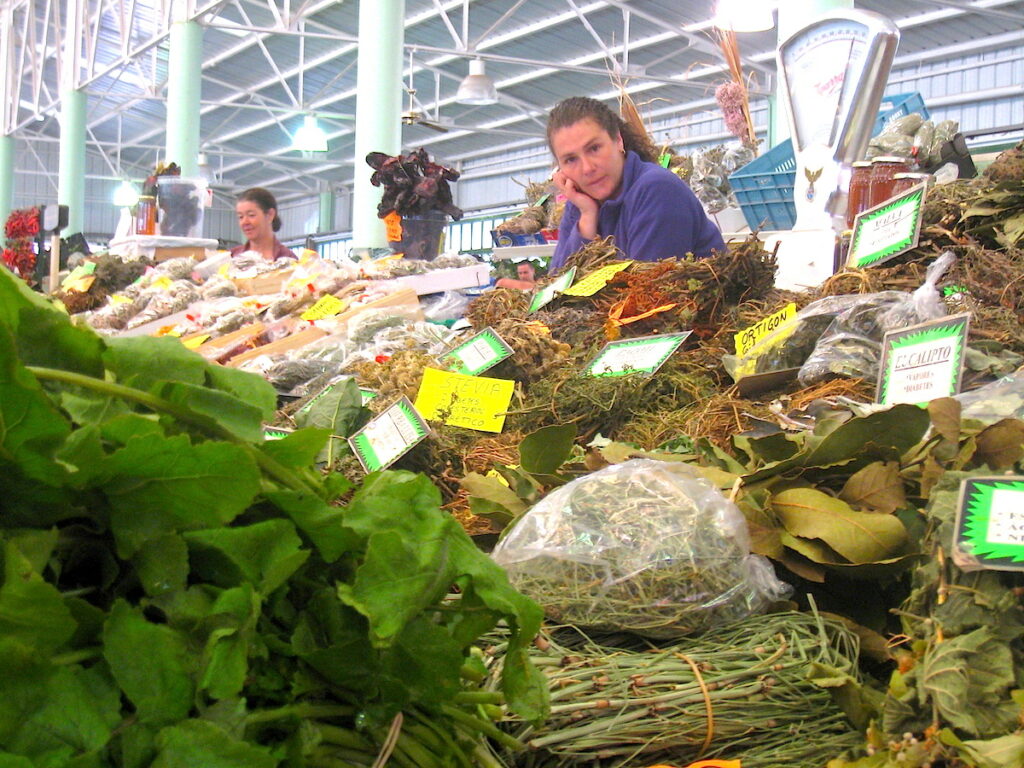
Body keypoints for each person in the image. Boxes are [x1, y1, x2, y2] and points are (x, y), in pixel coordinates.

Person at [547, 97, 725, 271]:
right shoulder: (579, 204)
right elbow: (553, 289)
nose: (587, 168)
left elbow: (644, 292)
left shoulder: (657, 189)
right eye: (570, 160)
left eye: (594, 148)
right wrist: (587, 217)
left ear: (618, 140)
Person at [231, 187, 296, 261]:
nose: (245, 222)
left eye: (251, 215)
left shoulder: (288, 259)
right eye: (240, 217)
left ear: (270, 215)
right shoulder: (232, 257)